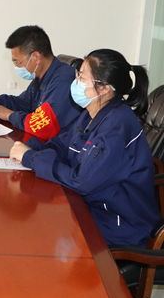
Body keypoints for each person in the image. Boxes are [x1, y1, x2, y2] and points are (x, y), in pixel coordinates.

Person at [10, 49, 159, 247]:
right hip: (91, 206)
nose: (76, 82)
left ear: (103, 88)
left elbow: (81, 181)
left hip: (118, 224)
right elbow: (61, 144)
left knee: (39, 234)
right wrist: (30, 149)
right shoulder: (92, 112)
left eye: (81, 77)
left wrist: (31, 158)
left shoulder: (115, 127)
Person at [0, 25, 82, 141]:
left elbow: (42, 126)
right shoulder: (41, 76)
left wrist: (9, 115)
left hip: (57, 146)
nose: (17, 67)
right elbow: (23, 104)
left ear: (36, 57)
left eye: (18, 62)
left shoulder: (63, 80)